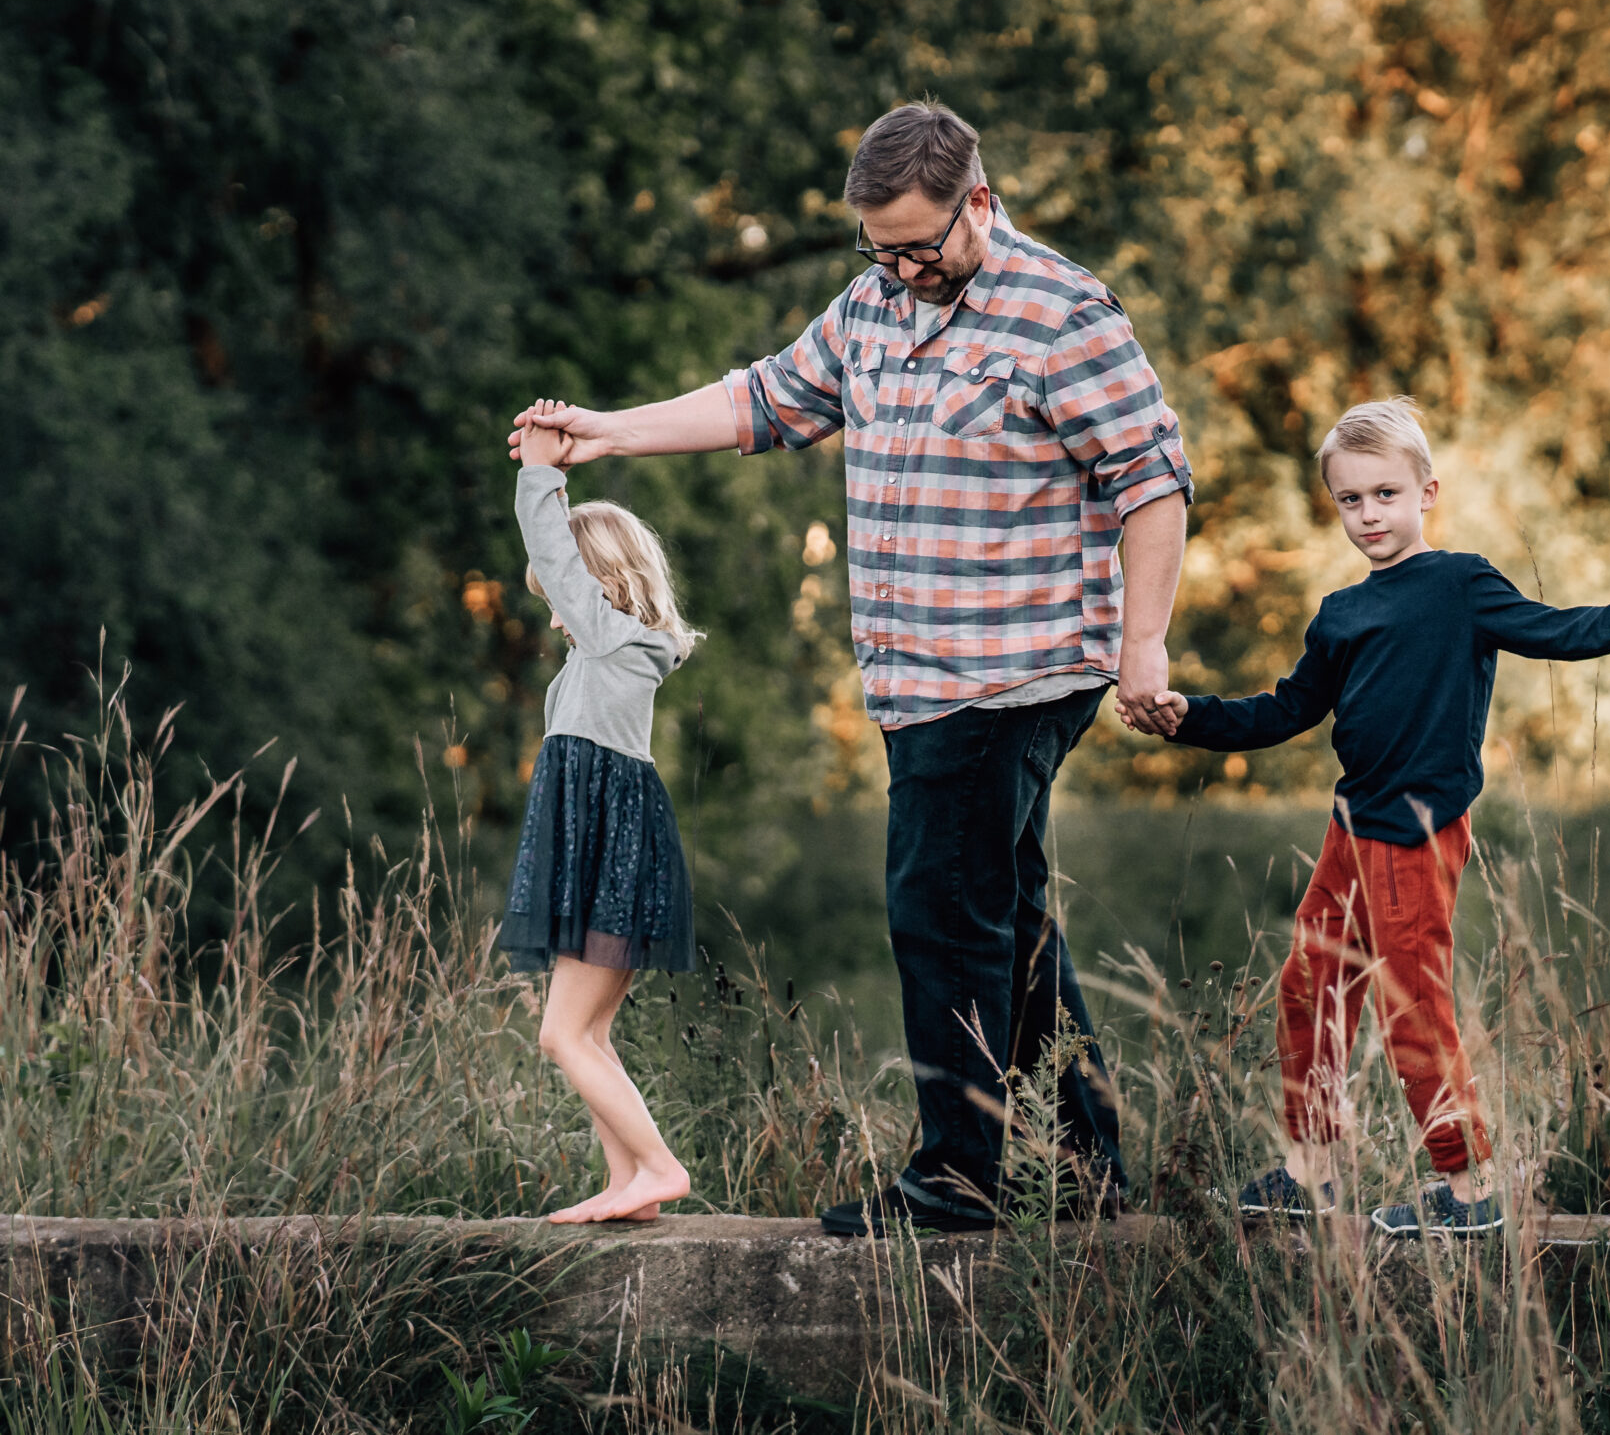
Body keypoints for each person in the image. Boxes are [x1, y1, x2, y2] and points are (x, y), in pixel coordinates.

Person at [511, 102, 1189, 1236]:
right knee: (1001, 909)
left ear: (977, 201)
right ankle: (1082, 1160)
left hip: (1009, 667)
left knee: (937, 905)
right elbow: (766, 398)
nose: (900, 268)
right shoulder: (877, 298)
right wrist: (608, 432)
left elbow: (1152, 479)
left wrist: (1144, 644)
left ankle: (958, 1178)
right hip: (915, 675)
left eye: (918, 245)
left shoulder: (1063, 313)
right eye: (878, 248)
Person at [1121, 399, 1610, 1237]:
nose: (1368, 516)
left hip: (1418, 830)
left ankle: (1467, 1189)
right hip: (1352, 826)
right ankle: (1310, 1168)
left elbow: (1560, 631)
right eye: (1350, 500)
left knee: (1410, 1003)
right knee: (1309, 986)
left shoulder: (1461, 584)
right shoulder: (1340, 616)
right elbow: (1283, 712)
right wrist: (1189, 716)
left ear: (1428, 491)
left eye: (1385, 494)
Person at [502, 401, 701, 1224]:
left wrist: (540, 472)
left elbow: (551, 542)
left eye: (559, 595)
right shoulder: (608, 656)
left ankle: (657, 1166)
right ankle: (629, 1185)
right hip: (611, 854)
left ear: (595, 584)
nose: (554, 612)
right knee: (587, 1036)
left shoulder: (613, 643)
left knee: (560, 1037)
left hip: (611, 857)